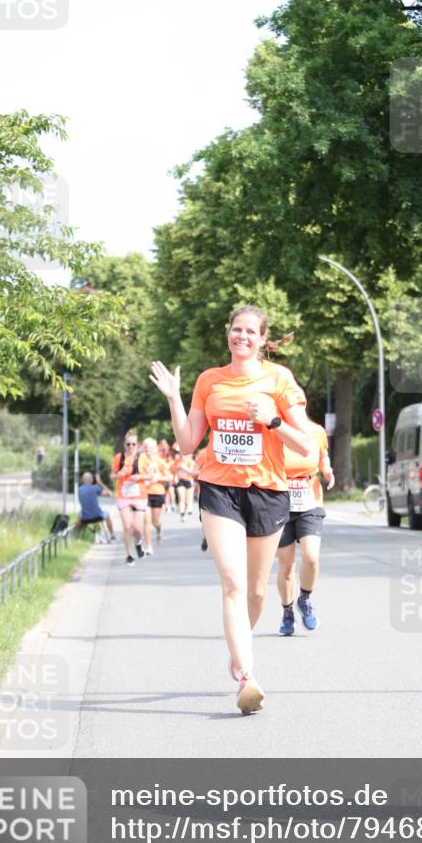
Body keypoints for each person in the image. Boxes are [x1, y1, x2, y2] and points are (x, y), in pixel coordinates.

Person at [150, 304, 312, 715]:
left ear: (262, 340)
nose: (241, 336)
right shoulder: (210, 380)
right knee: (233, 583)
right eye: (235, 329)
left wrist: (274, 421)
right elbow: (188, 442)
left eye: (249, 331)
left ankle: (237, 651)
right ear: (229, 334)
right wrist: (173, 399)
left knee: (257, 592)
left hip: (268, 491)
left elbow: (306, 445)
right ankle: (247, 676)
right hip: (219, 489)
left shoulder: (279, 379)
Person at [276, 419, 335, 636]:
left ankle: (304, 598)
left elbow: (322, 455)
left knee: (311, 557)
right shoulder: (274, 429)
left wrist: (327, 469)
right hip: (279, 501)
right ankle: (287, 610)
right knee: (287, 565)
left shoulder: (316, 430)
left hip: (310, 499)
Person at [110, 430, 149, 565]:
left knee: (137, 528)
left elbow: (151, 475)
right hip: (123, 494)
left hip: (139, 495)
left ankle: (138, 543)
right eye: (128, 444)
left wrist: (139, 476)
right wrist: (118, 475)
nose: (131, 447)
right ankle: (129, 555)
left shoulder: (142, 458)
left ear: (137, 445)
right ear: (124, 444)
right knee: (127, 526)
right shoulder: (119, 458)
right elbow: (112, 475)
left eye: (133, 444)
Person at [140, 437, 171, 554]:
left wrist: (158, 478)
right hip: (144, 493)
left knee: (155, 521)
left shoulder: (159, 461)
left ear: (155, 449)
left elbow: (169, 477)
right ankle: (149, 546)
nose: (148, 449)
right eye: (145, 447)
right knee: (146, 521)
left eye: (150, 447)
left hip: (157, 492)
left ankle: (159, 529)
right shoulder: (140, 461)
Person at [76, 471, 116, 540]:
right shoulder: (95, 488)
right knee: (107, 515)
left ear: (83, 480)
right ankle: (112, 535)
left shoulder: (79, 490)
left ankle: (78, 536)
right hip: (97, 516)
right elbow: (110, 493)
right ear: (91, 479)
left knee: (79, 515)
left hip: (84, 518)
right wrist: (100, 482)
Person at [171, 449, 196, 521]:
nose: (183, 455)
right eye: (181, 453)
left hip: (189, 480)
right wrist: (175, 477)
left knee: (187, 501)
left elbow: (192, 472)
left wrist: (184, 467)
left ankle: (184, 512)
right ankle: (182, 514)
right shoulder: (177, 461)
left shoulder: (191, 461)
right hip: (180, 481)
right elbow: (174, 471)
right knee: (181, 498)